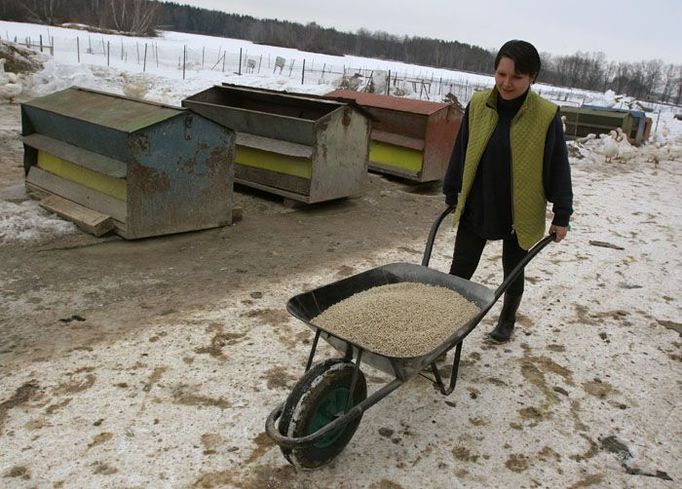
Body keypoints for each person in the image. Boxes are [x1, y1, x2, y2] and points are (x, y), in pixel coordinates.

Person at [442, 40, 573, 342]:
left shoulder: (545, 115)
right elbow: (461, 151)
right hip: (479, 202)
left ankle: (507, 320)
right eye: (501, 74)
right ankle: (444, 318)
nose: (506, 83)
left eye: (516, 77)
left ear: (532, 78)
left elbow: (557, 167)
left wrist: (562, 214)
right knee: (459, 268)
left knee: (512, 272)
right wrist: (452, 190)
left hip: (519, 209)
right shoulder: (478, 104)